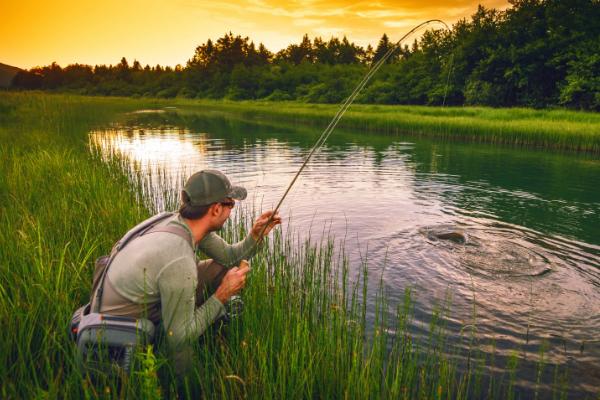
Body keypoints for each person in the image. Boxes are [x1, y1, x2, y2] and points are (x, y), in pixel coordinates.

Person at [91, 169, 281, 375]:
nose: (231, 212)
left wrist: (255, 235)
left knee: (222, 267)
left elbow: (229, 258)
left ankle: (196, 319)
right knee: (182, 344)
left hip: (127, 300)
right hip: (122, 329)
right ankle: (182, 386)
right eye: (230, 204)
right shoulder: (179, 258)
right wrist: (222, 295)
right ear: (216, 209)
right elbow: (178, 336)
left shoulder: (179, 222)